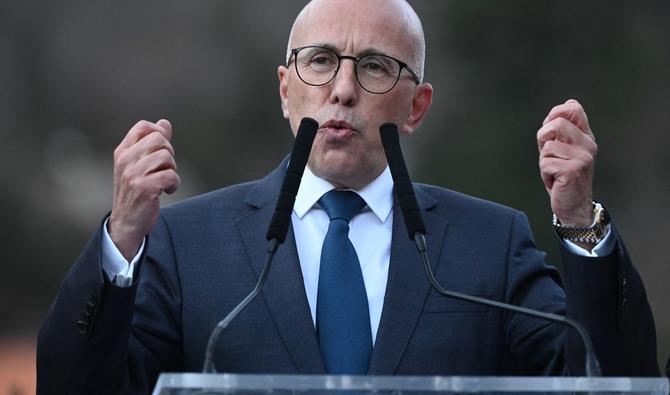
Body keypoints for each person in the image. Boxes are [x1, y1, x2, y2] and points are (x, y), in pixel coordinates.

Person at [37, 0, 660, 393]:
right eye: (320, 61)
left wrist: (579, 222)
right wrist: (120, 239)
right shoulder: (188, 241)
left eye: (374, 67)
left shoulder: (487, 244)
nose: (341, 90)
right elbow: (75, 387)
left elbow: (609, 378)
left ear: (417, 106)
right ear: (286, 92)